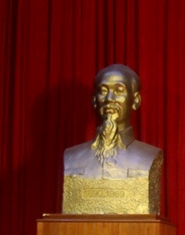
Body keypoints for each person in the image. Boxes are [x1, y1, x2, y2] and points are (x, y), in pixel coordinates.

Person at [63, 64, 163, 213]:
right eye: (103, 91)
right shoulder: (72, 157)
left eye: (119, 90)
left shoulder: (148, 156)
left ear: (135, 100)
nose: (110, 99)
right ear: (94, 100)